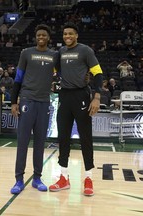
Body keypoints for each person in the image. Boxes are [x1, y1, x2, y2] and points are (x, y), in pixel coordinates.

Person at [49, 22, 103, 197]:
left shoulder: (85, 50)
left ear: (76, 35)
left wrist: (96, 97)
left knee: (85, 138)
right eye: (65, 34)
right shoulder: (60, 53)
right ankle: (64, 177)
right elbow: (53, 71)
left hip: (81, 96)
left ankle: (88, 178)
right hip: (64, 96)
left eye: (70, 34)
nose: (67, 37)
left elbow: (98, 73)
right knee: (63, 137)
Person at [10, 24, 58, 194]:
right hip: (27, 100)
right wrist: (13, 102)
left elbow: (64, 73)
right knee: (22, 142)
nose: (41, 37)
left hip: (44, 102)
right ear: (35, 37)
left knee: (40, 143)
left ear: (48, 37)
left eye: (44, 35)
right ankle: (18, 180)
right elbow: (18, 78)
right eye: (38, 35)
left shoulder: (54, 55)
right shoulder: (26, 53)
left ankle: (37, 178)